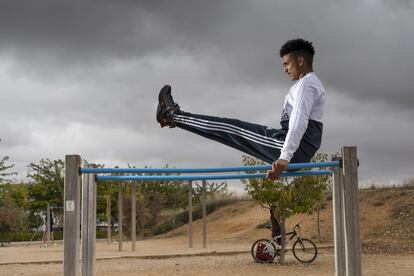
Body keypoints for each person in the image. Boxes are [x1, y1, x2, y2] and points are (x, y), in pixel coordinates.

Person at [156, 38, 326, 179]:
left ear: (301, 61)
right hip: (293, 148)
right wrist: (280, 165)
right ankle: (172, 118)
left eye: (286, 64)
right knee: (227, 134)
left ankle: (172, 115)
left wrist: (285, 157)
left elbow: (299, 120)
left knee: (229, 127)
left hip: (292, 148)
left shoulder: (307, 84)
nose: (284, 69)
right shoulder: (306, 84)